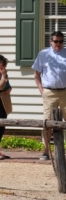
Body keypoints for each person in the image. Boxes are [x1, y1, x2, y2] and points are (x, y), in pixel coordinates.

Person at [32, 31, 66, 161]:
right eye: (56, 41)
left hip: (64, 92)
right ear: (51, 41)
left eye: (61, 41)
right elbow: (36, 75)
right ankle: (46, 151)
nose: (58, 44)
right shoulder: (44, 54)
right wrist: (42, 90)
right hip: (49, 92)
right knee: (48, 122)